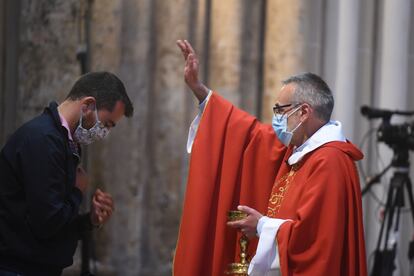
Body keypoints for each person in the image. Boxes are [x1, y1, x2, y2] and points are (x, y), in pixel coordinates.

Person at [174, 40, 367, 276]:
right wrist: (200, 90)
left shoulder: (329, 161)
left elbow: (314, 244)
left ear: (304, 112)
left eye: (280, 110)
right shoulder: (301, 151)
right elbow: (245, 135)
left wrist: (262, 225)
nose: (275, 119)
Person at [0, 71, 134, 276]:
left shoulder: (64, 142)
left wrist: (90, 220)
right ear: (88, 105)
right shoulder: (44, 140)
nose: (104, 133)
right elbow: (47, 224)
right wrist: (77, 191)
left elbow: (55, 223)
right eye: (107, 124)